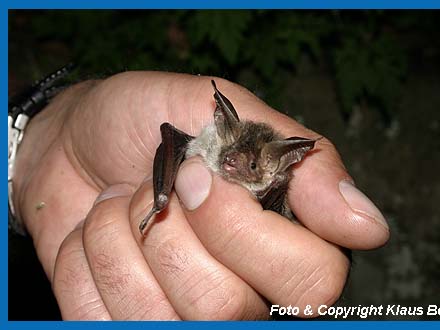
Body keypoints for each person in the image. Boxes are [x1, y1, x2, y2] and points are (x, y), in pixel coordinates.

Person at [10, 71, 389, 320]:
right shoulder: (207, 144)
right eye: (233, 155)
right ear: (224, 129)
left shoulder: (273, 188)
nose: (233, 163)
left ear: (270, 171)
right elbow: (174, 138)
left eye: (250, 166)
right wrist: (161, 200)